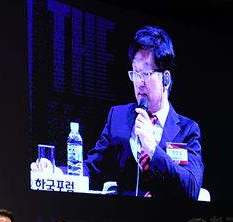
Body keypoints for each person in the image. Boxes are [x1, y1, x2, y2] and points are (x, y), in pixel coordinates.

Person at [83, 25, 203, 199]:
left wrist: (153, 149)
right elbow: (91, 168)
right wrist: (56, 172)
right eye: (135, 73)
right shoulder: (118, 117)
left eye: (146, 73)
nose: (139, 82)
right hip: (124, 220)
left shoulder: (187, 130)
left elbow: (191, 188)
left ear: (166, 78)